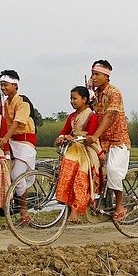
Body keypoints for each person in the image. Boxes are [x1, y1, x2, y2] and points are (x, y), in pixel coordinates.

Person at [89, 59, 130, 221]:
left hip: (117, 139)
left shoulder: (114, 93)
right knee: (91, 167)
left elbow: (110, 115)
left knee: (113, 170)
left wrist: (95, 136)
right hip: (102, 140)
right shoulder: (95, 94)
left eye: (97, 74)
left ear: (106, 76)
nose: (93, 77)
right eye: (92, 74)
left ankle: (120, 204)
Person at [54, 86, 100, 221]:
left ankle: (75, 210)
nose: (72, 101)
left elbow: (91, 136)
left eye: (75, 98)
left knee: (80, 176)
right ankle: (67, 204)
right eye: (71, 99)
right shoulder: (72, 117)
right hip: (74, 149)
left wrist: (72, 138)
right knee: (66, 172)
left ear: (85, 99)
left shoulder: (91, 116)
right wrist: (61, 137)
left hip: (88, 149)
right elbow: (65, 130)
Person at [0, 70, 38, 222]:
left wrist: (5, 137)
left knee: (17, 175)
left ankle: (23, 210)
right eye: (1, 85)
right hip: (12, 142)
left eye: (6, 85)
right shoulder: (6, 103)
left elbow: (17, 122)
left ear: (15, 85)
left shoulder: (22, 102)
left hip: (25, 143)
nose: (3, 88)